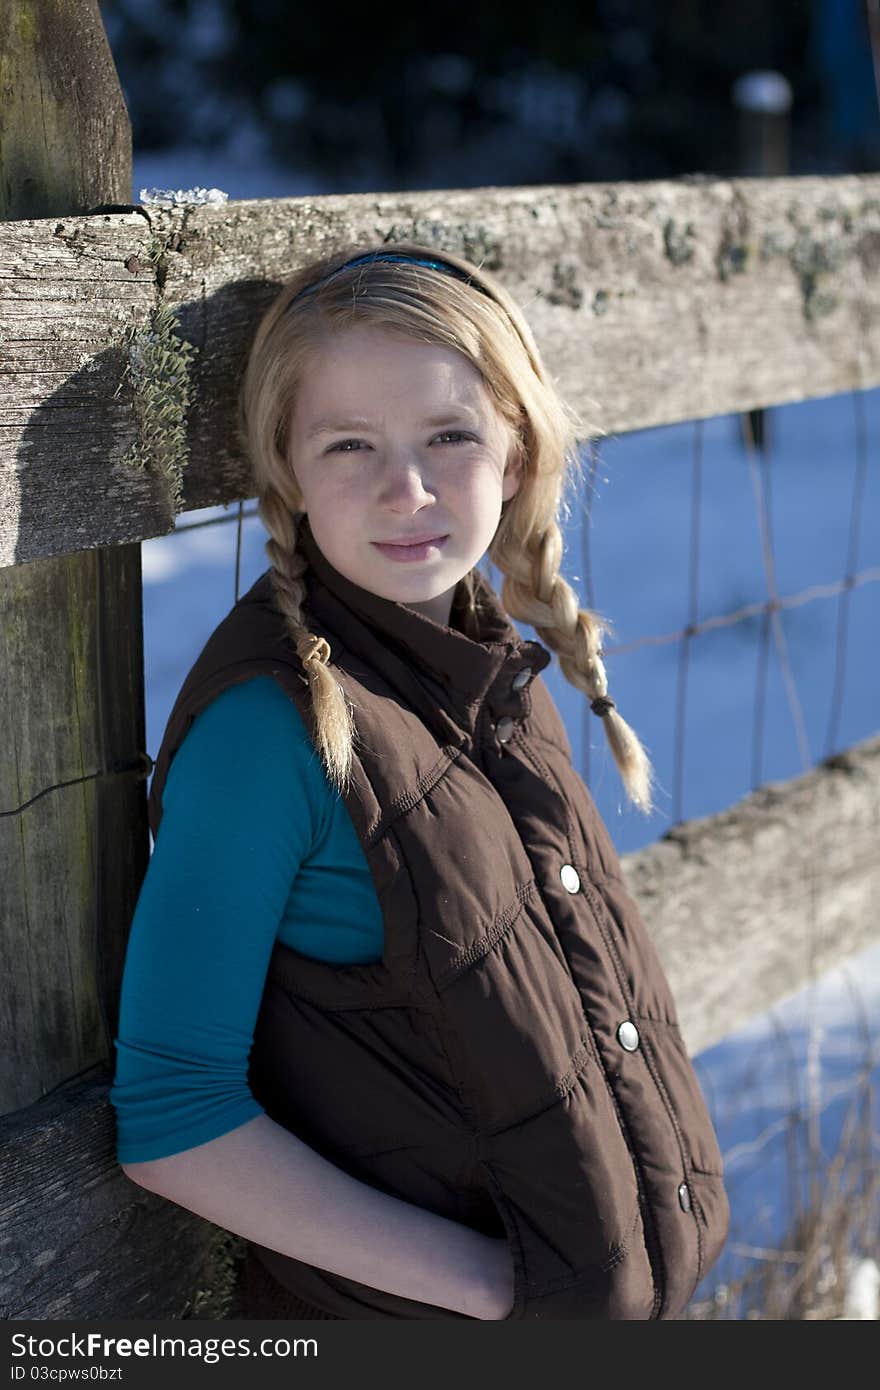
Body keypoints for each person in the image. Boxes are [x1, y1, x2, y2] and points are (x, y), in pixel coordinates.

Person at [111, 243, 728, 1320]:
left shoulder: (485, 668)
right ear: (287, 470)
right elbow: (175, 1118)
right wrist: (495, 1287)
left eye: (449, 436)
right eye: (351, 445)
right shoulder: (275, 731)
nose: (407, 490)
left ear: (519, 449)